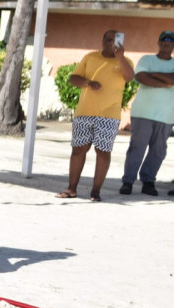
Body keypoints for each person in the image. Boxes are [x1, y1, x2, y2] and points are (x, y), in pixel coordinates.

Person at [55, 30, 135, 202]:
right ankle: (71, 188)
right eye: (108, 40)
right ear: (102, 41)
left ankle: (96, 192)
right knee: (78, 150)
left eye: (115, 41)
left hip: (109, 116)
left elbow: (129, 78)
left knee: (103, 152)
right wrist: (88, 83)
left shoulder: (126, 61)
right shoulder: (90, 57)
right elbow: (73, 78)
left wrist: (120, 57)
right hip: (84, 112)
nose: (111, 44)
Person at [118, 30, 174, 197]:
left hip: (166, 115)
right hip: (143, 112)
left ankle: (148, 181)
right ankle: (128, 181)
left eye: (170, 41)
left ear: (173, 45)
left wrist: (154, 75)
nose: (166, 44)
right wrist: (166, 81)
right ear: (158, 42)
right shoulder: (146, 59)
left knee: (158, 151)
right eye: (163, 41)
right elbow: (141, 77)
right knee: (137, 147)